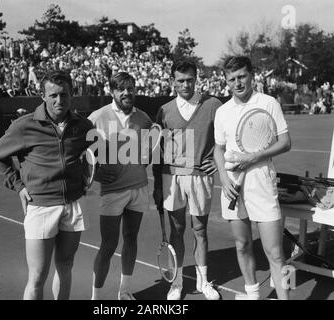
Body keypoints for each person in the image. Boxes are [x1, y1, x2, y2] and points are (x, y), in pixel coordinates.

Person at [0, 70, 94, 300]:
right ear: (43, 96)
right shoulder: (24, 125)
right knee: (37, 275)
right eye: (54, 95)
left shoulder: (84, 126)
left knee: (65, 266)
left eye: (64, 95)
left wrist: (87, 177)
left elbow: (96, 154)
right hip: (42, 206)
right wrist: (19, 186)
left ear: (71, 95)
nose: (59, 100)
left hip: (73, 203)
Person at [213, 56, 292, 300]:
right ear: (226, 81)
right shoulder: (222, 111)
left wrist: (254, 157)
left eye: (241, 76)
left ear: (252, 75)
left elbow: (285, 142)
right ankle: (253, 294)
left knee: (276, 254)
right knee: (242, 245)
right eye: (231, 79)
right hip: (232, 187)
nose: (237, 83)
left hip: (262, 183)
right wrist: (224, 179)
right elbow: (218, 149)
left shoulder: (268, 103)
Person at [152, 59, 222, 300]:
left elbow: (227, 137)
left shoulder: (213, 104)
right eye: (180, 80)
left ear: (196, 78)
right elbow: (158, 149)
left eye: (189, 79)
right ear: (173, 82)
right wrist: (157, 186)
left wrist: (217, 160)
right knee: (176, 231)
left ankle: (204, 282)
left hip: (200, 177)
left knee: (200, 230)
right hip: (171, 179)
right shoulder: (164, 110)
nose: (185, 84)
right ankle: (177, 282)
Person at [88, 72, 152, 300]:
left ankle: (124, 291)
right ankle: (96, 297)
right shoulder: (97, 117)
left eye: (130, 88)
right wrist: (96, 175)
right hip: (112, 192)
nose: (126, 93)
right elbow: (82, 154)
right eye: (121, 89)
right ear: (112, 91)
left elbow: (147, 153)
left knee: (131, 238)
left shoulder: (144, 119)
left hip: (139, 188)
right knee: (108, 245)